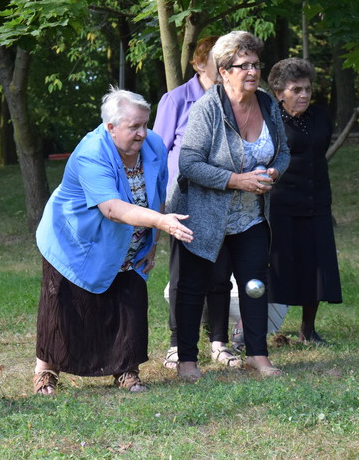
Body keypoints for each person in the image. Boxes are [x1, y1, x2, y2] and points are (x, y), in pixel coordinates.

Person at [32, 87, 193, 395]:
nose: (143, 133)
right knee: (63, 308)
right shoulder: (92, 152)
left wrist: (154, 240)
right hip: (77, 240)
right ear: (111, 127)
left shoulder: (154, 146)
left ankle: (126, 371)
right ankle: (46, 372)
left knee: (128, 303)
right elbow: (111, 208)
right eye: (134, 127)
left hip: (131, 241)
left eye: (145, 124)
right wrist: (160, 222)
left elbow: (156, 194)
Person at [168, 30, 290, 381]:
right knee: (194, 285)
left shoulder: (267, 103)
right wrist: (237, 180)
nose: (252, 72)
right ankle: (187, 360)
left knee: (254, 281)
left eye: (255, 64)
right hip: (203, 213)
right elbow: (188, 164)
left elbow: (282, 150)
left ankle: (257, 355)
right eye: (243, 65)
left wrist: (273, 171)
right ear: (223, 71)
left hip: (250, 215)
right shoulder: (208, 107)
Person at [153, 36, 240, 370]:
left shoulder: (232, 100)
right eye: (217, 62)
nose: (222, 69)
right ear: (198, 63)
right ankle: (178, 345)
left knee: (221, 273)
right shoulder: (176, 99)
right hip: (185, 200)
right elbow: (158, 152)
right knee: (184, 274)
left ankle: (219, 342)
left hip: (224, 198)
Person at [267, 58, 342, 344]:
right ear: (279, 92)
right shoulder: (269, 119)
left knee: (317, 265)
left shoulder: (320, 116)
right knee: (278, 268)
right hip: (281, 203)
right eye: (296, 89)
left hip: (317, 200)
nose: (304, 95)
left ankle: (307, 330)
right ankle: (255, 329)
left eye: (308, 89)